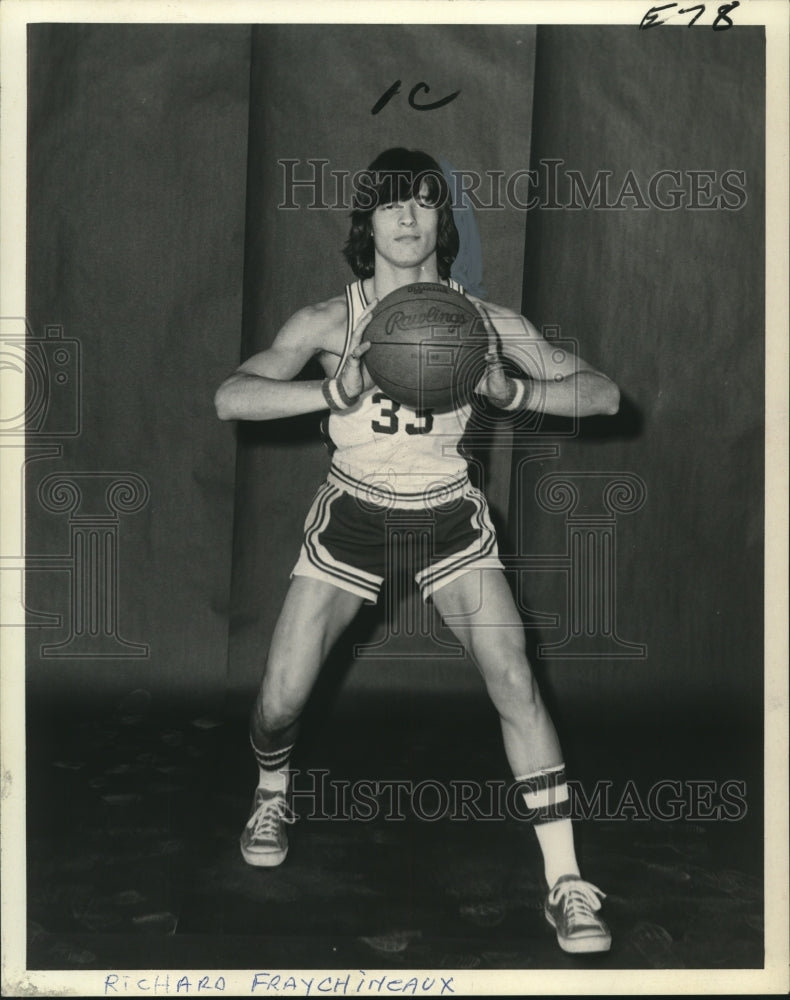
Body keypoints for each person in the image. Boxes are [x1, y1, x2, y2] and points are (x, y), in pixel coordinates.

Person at [215, 147, 620, 955]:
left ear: (443, 221)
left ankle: (566, 881)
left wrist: (517, 391)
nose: (407, 216)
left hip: (446, 514)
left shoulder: (483, 323)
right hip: (354, 512)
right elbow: (232, 397)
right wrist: (331, 390)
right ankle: (271, 791)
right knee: (279, 700)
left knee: (515, 678)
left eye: (425, 201)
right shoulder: (329, 320)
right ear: (365, 223)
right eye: (391, 202)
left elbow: (603, 393)